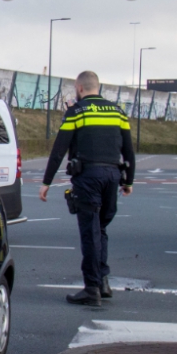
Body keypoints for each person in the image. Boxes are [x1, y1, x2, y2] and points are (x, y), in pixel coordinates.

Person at [39, 71, 134, 306]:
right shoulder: (118, 112)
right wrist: (128, 181)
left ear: (80, 88)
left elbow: (59, 149)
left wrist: (46, 182)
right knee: (101, 229)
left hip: (88, 176)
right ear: (97, 87)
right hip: (112, 176)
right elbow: (129, 151)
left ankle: (91, 289)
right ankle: (103, 282)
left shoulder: (76, 112)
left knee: (90, 231)